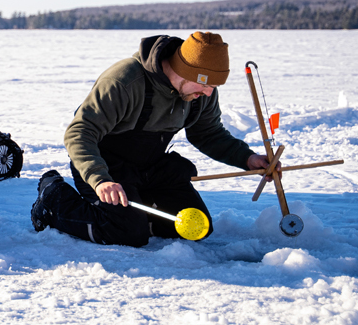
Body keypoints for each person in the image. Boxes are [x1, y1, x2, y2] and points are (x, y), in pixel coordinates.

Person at [30, 32, 275, 246]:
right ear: (184, 71)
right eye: (206, 85)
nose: (209, 93)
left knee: (195, 227)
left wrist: (247, 158)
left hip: (151, 168)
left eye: (214, 86)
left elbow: (208, 133)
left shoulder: (201, 92)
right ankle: (53, 197)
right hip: (108, 167)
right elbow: (80, 132)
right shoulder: (125, 81)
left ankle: (136, 211)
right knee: (125, 233)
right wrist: (100, 179)